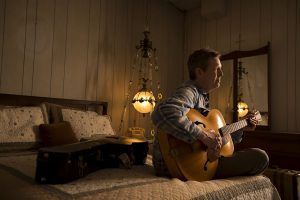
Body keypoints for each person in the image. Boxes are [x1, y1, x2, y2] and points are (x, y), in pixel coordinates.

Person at [151, 48, 269, 179]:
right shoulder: (190, 91)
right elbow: (163, 112)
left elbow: (220, 136)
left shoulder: (202, 97)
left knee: (253, 156)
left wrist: (243, 126)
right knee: (260, 158)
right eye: (217, 69)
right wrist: (204, 137)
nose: (221, 74)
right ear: (200, 72)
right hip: (174, 164)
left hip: (191, 162)